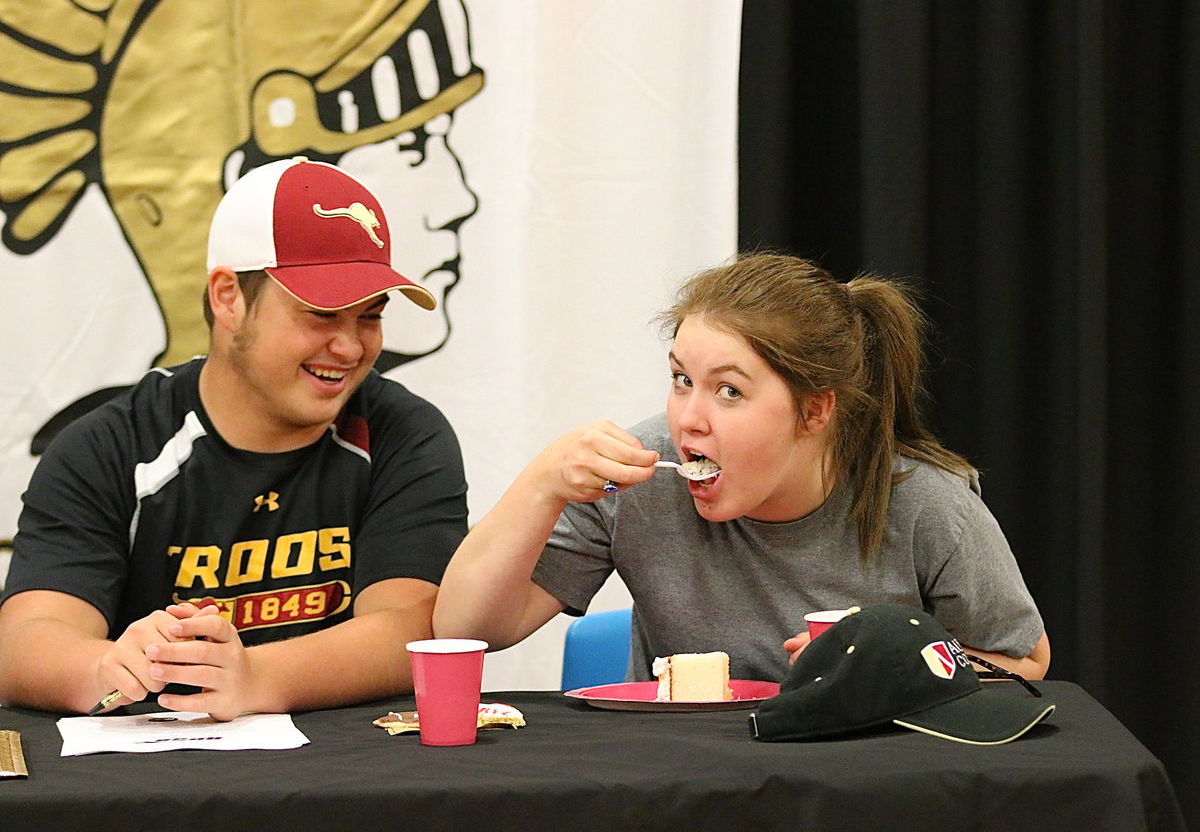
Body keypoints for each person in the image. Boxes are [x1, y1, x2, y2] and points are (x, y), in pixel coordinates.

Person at [433, 252, 1050, 684]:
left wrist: (902, 661)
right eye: (681, 380)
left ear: (814, 411)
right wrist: (539, 486)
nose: (688, 420)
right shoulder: (638, 475)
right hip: (683, 787)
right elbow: (466, 629)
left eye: (728, 391)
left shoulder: (925, 502)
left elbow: (1023, 659)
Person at [0, 157, 469, 720]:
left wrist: (256, 677)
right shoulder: (107, 445)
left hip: (349, 785)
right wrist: (103, 667)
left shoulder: (403, 434)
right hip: (158, 786)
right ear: (228, 297)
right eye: (320, 314)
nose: (350, 349)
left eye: (369, 316)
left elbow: (416, 630)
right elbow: (24, 641)